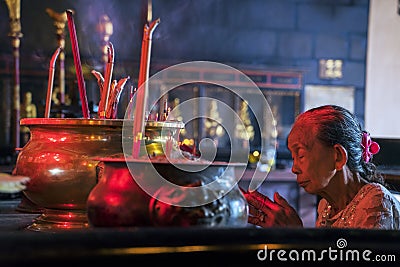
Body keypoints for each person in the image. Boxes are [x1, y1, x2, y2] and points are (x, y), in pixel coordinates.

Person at [243, 104, 400, 229]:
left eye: (301, 155)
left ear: (338, 156)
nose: (294, 168)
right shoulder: (326, 206)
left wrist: (296, 237)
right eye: (293, 157)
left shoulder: (375, 203)